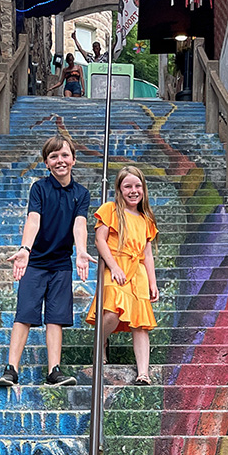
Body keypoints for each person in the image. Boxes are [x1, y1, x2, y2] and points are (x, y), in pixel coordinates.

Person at [0, 135, 90, 389]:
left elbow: (79, 224)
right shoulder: (39, 188)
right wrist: (25, 249)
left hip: (61, 264)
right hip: (35, 262)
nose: (60, 160)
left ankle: (54, 371)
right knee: (24, 314)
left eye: (64, 155)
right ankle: (11, 369)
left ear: (73, 159)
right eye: (53, 156)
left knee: (56, 318)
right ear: (47, 163)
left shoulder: (81, 194)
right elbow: (33, 220)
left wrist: (81, 250)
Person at [86, 165, 158, 385]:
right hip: (115, 267)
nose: (133, 190)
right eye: (128, 186)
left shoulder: (146, 219)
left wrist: (152, 283)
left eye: (138, 186)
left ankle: (143, 373)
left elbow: (147, 253)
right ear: (119, 189)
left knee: (141, 323)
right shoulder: (110, 209)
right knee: (113, 313)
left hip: (137, 273)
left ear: (143, 189)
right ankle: (101, 342)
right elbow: (100, 240)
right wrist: (114, 266)